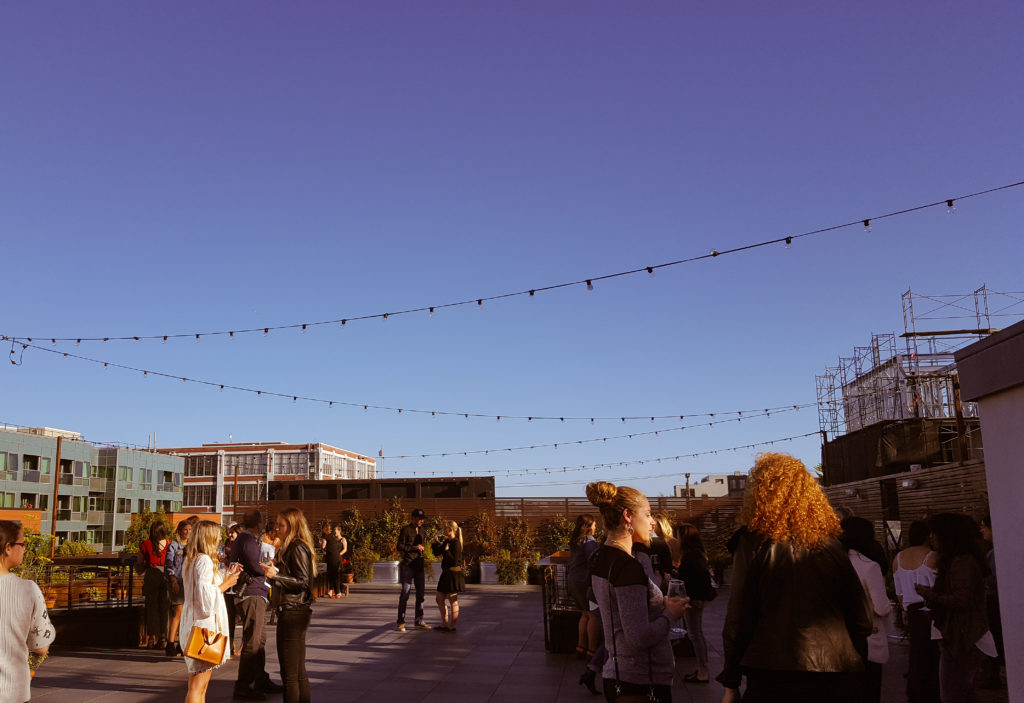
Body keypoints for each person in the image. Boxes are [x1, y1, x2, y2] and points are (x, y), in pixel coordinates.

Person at [718, 452, 871, 703]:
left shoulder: (753, 542)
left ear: (760, 493)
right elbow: (862, 619)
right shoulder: (832, 546)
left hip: (773, 674)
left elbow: (738, 618)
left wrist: (731, 682)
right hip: (836, 674)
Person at [586, 481, 689, 703]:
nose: (652, 522)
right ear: (628, 516)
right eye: (648, 514)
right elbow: (639, 637)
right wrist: (671, 614)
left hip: (621, 675)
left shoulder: (602, 557)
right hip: (640, 682)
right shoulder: (627, 567)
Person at [915, 513, 994, 703]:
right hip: (957, 637)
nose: (931, 537)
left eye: (935, 533)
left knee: (952, 694)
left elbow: (962, 600)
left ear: (947, 535)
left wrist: (929, 595)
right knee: (961, 693)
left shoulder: (961, 563)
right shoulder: (960, 561)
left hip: (962, 638)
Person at [180, 520, 241, 703]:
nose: (219, 540)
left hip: (194, 623)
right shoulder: (204, 560)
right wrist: (226, 584)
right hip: (204, 627)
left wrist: (225, 576)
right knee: (198, 686)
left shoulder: (193, 559)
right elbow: (205, 598)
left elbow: (201, 587)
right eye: (216, 537)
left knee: (199, 686)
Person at [263, 508, 315, 703]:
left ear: (292, 526)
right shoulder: (291, 546)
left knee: (290, 674)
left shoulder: (297, 546)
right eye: (277, 524)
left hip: (293, 611)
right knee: (296, 671)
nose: (277, 528)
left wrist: (275, 575)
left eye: (281, 525)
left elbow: (302, 581)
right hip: (293, 610)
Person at [0, 520, 55, 703]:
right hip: (13, 690)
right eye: (22, 544)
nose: (24, 549)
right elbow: (40, 646)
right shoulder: (28, 589)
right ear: (8, 547)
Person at [231, 510, 284, 701]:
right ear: (259, 523)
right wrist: (270, 569)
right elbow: (254, 565)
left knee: (259, 639)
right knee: (253, 641)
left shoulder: (246, 539)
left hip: (254, 593)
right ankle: (243, 685)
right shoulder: (247, 540)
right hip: (251, 593)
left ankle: (260, 678)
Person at [841, 516, 891, 703]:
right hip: (869, 640)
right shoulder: (869, 567)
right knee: (869, 690)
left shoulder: (835, 563)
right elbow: (881, 607)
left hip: (840, 640)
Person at [892, 519, 939, 703]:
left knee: (917, 653)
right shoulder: (932, 556)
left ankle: (916, 692)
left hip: (912, 610)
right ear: (928, 535)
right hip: (931, 609)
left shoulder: (898, 558)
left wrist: (904, 610)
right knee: (934, 654)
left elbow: (899, 591)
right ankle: (932, 692)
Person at [676, 523, 715, 684]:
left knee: (695, 634)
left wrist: (696, 598)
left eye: (678, 535)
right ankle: (701, 669)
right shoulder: (696, 554)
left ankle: (703, 671)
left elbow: (698, 579)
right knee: (695, 634)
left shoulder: (691, 557)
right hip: (695, 598)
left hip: (693, 599)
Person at [567, 515, 599, 661]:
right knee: (593, 615)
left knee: (584, 614)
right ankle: (592, 650)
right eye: (594, 524)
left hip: (573, 580)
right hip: (584, 582)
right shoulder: (589, 542)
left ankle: (581, 647)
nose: (596, 527)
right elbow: (595, 561)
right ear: (588, 526)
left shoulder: (576, 541)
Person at [165, 516, 198, 656]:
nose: (188, 532)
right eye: (185, 530)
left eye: (190, 529)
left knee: (188, 614)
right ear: (180, 531)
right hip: (178, 580)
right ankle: (170, 643)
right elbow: (169, 564)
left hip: (189, 581)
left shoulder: (193, 546)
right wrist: (172, 580)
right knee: (177, 612)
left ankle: (182, 643)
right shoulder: (174, 545)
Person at [396, 508, 430, 632]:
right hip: (408, 565)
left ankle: (419, 620)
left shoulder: (422, 530)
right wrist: (414, 547)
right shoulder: (405, 530)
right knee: (405, 593)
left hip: (419, 566)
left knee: (421, 595)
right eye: (419, 519)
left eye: (422, 519)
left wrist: (422, 548)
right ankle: (401, 621)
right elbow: (399, 546)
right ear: (413, 518)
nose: (421, 521)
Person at [140, 520, 170, 649]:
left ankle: (151, 638)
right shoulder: (169, 543)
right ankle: (163, 637)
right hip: (166, 576)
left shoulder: (146, 544)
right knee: (165, 608)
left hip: (152, 575)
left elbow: (140, 562)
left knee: (151, 607)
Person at [434, 520, 465, 632]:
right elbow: (437, 552)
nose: (444, 531)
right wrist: (436, 542)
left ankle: (452, 625)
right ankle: (445, 623)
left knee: (453, 599)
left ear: (451, 530)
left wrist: (446, 551)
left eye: (445, 529)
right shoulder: (447, 541)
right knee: (439, 598)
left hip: (453, 574)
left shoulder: (456, 543)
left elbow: (456, 561)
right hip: (446, 573)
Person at [320, 523, 348, 599]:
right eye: (333, 530)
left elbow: (345, 549)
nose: (334, 532)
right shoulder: (333, 539)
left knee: (335, 575)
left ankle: (337, 591)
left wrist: (339, 554)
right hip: (332, 557)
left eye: (336, 530)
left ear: (339, 531)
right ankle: (336, 589)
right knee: (332, 574)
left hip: (336, 558)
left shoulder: (342, 539)